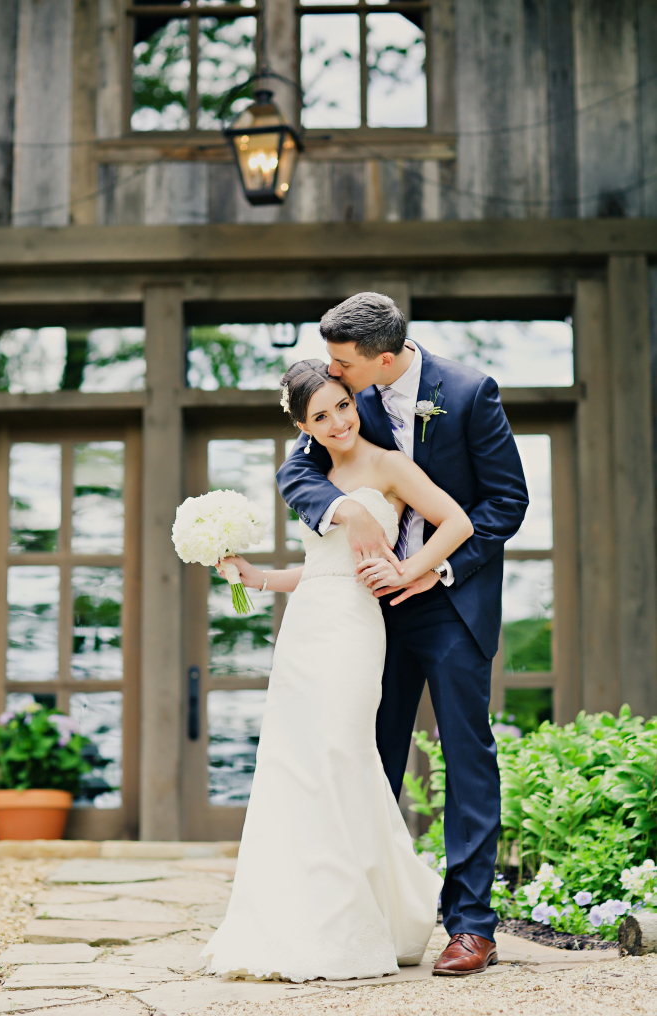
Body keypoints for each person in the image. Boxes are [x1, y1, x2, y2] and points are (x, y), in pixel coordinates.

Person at [276, 293, 528, 976]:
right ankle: (370, 913)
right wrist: (344, 514)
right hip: (367, 614)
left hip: (451, 602)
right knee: (367, 756)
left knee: (465, 757)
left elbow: (506, 502)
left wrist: (430, 569)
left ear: (381, 361)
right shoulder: (340, 404)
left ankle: (472, 924)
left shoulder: (471, 393)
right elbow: (297, 472)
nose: (332, 373)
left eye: (342, 363)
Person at [202, 358, 474, 982]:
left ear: (355, 402)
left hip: (355, 628)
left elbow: (455, 521)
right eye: (320, 416)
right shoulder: (313, 475)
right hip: (305, 628)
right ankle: (300, 917)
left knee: (338, 753)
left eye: (343, 406)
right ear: (304, 426)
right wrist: (259, 578)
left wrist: (410, 569)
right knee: (294, 765)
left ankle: (364, 917)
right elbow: (320, 567)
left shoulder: (388, 465)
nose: (338, 422)